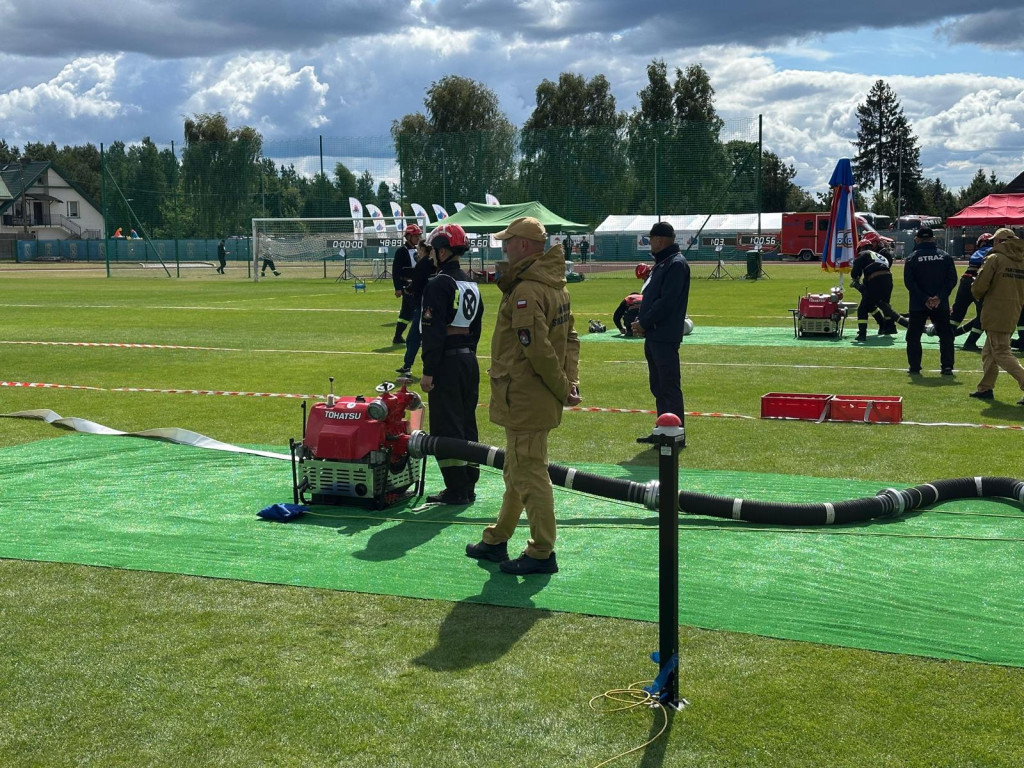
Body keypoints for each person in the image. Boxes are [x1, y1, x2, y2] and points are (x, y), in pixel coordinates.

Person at [466, 216, 581, 576]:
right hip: (533, 395)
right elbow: (572, 340)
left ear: (524, 246)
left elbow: (539, 351)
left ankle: (542, 551)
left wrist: (564, 388)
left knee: (529, 472)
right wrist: (570, 382)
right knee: (517, 469)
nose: (503, 247)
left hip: (527, 396)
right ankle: (497, 538)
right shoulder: (555, 286)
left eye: (508, 241)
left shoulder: (528, 290)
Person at [418, 223, 484, 503]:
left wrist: (428, 370)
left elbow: (432, 330)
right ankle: (468, 483)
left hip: (446, 363)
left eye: (433, 250)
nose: (431, 255)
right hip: (469, 360)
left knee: (446, 427)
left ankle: (456, 489)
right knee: (468, 422)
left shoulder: (438, 283)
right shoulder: (471, 283)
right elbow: (476, 326)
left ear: (443, 251)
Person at [631, 221, 691, 420]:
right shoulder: (664, 263)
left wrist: (644, 322)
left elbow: (666, 303)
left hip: (664, 335)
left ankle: (674, 433)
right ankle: (663, 428)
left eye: (651, 240)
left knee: (668, 387)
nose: (650, 244)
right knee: (658, 387)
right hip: (655, 335)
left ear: (659, 240)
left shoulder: (675, 264)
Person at [969, 228, 1024, 403]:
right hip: (1013, 308)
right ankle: (985, 388)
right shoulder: (1022, 259)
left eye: (995, 241)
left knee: (1001, 352)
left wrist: (975, 291)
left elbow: (980, 285)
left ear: (999, 242)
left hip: (995, 310)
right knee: (989, 352)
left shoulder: (994, 258)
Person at [903, 227, 957, 375]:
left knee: (913, 336)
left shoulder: (912, 258)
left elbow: (909, 282)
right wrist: (940, 297)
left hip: (918, 304)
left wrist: (925, 298)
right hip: (941, 304)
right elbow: (952, 280)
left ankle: (914, 367)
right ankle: (947, 366)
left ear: (917, 240)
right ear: (933, 239)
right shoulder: (945, 256)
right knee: (945, 335)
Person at [942, 233, 991, 351]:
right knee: (983, 315)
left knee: (957, 311)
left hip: (965, 281)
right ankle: (970, 342)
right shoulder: (992, 252)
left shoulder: (976, 253)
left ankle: (946, 337)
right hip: (977, 283)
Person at [395, 238, 436, 377]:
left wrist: (408, 289)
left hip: (423, 305)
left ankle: (410, 366)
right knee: (424, 337)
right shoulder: (434, 264)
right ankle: (412, 365)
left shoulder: (423, 264)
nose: (417, 251)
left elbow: (417, 283)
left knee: (413, 337)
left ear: (423, 250)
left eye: (419, 249)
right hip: (432, 305)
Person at [849, 240, 903, 340]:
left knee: (863, 308)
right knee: (883, 304)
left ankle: (862, 334)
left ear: (861, 248)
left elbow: (855, 272)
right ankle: (888, 327)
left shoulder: (863, 254)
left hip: (875, 281)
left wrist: (856, 280)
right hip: (888, 281)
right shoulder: (878, 255)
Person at [391, 224, 422, 345]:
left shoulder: (417, 249)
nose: (418, 238)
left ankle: (397, 337)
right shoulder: (401, 251)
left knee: (405, 314)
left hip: (415, 285)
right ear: (408, 236)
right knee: (418, 311)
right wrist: (398, 288)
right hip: (406, 287)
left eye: (419, 236)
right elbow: (396, 270)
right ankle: (418, 337)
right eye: (416, 236)